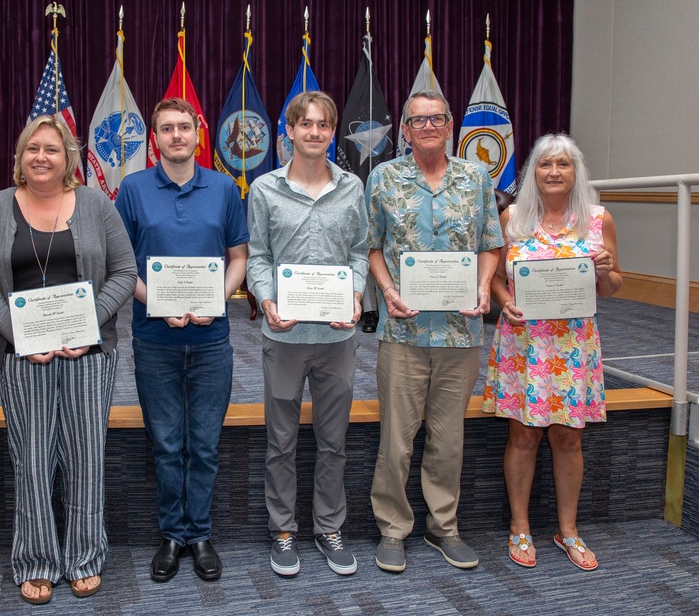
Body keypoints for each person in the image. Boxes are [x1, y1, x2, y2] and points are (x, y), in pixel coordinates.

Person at [0, 115, 136, 605]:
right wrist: (20, 335)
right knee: (32, 458)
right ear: (19, 157)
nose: (41, 157)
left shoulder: (96, 204)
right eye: (32, 149)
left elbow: (124, 272)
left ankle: (84, 556)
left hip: (89, 354)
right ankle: (37, 559)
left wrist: (90, 325)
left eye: (52, 149)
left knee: (87, 455)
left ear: (69, 159)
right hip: (23, 355)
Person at [367, 90, 503, 573]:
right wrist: (386, 290)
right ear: (404, 130)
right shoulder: (383, 178)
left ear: (450, 127)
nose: (427, 126)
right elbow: (372, 246)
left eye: (436, 119)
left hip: (460, 332)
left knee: (449, 439)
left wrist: (485, 284)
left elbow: (490, 243)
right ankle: (392, 529)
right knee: (396, 440)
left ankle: (443, 526)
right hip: (403, 331)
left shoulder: (476, 178)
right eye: (417, 120)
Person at [115, 98, 249, 583]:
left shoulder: (222, 188)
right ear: (155, 138)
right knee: (168, 444)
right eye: (167, 129)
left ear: (199, 133)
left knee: (206, 444)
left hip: (213, 339)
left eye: (184, 127)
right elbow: (121, 263)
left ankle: (201, 533)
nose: (176, 135)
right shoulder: (132, 189)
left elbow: (239, 256)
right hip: (154, 337)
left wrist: (219, 297)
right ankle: (173, 533)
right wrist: (158, 303)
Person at [483, 133, 621, 571]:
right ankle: (519, 527)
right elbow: (495, 278)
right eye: (546, 165)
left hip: (574, 346)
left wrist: (605, 271)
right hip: (524, 343)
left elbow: (616, 286)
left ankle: (568, 529)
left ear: (575, 171)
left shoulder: (598, 219)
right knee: (522, 435)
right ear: (533, 173)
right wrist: (505, 302)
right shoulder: (513, 218)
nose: (555, 172)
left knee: (568, 437)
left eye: (563, 164)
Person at [246, 91, 369, 577]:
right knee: (281, 441)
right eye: (306, 125)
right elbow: (259, 257)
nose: (314, 132)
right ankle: (282, 529)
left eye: (323, 125)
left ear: (331, 133)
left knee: (333, 440)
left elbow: (360, 252)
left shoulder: (352, 188)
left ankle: (328, 527)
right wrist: (267, 299)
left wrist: (356, 295)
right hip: (285, 337)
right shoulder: (264, 190)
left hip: (338, 337)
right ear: (289, 133)